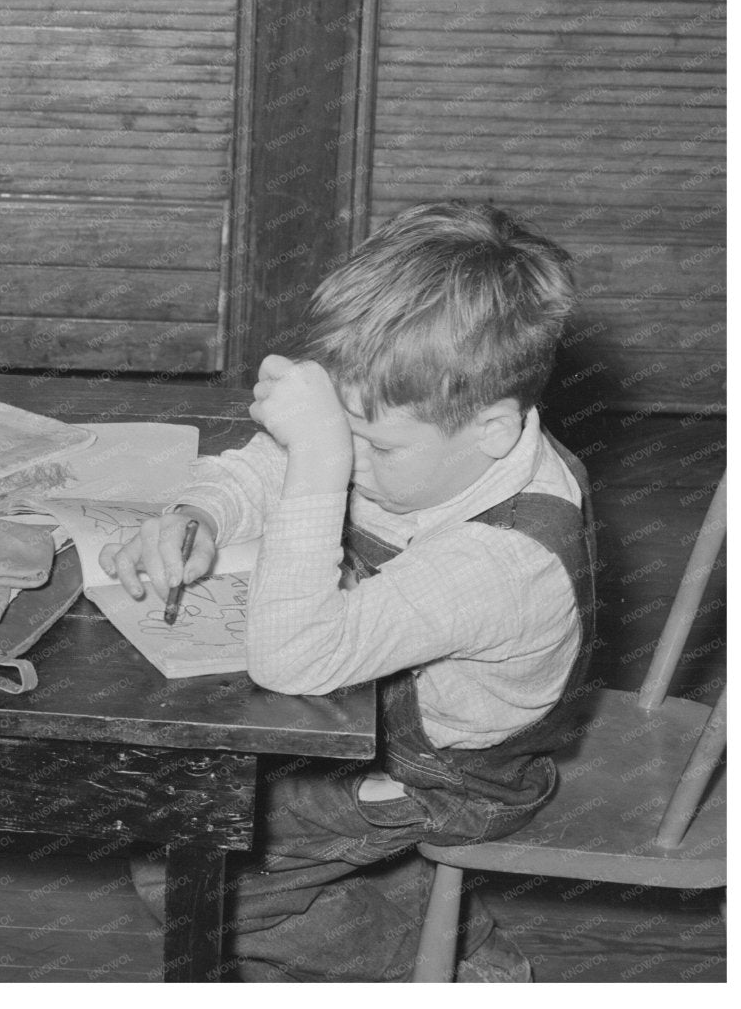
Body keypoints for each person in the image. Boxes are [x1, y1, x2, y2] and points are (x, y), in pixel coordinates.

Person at [106, 201, 589, 983]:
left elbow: (294, 659)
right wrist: (198, 512)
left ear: (494, 429)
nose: (353, 457)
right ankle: (449, 930)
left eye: (370, 443)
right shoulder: (434, 431)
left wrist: (324, 456)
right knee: (223, 796)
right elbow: (266, 466)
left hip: (454, 777)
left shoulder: (502, 560)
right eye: (343, 428)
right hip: (377, 715)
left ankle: (449, 971)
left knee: (181, 863)